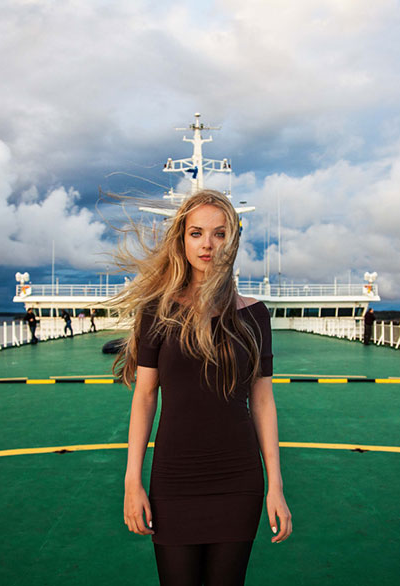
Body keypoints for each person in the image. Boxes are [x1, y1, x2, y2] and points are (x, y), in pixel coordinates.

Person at [116, 189, 292, 586]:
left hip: (238, 478)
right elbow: (145, 396)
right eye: (197, 233)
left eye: (219, 233)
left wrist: (275, 485)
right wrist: (132, 481)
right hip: (174, 479)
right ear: (182, 239)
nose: (208, 245)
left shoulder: (254, 315)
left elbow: (262, 400)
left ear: (233, 241)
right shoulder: (156, 311)